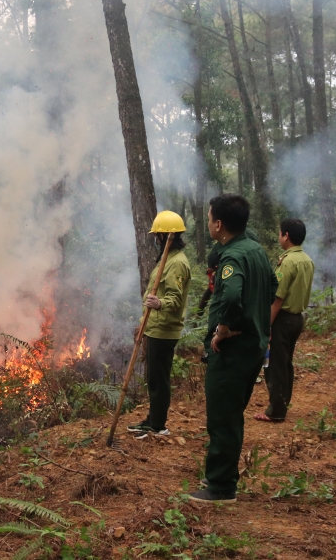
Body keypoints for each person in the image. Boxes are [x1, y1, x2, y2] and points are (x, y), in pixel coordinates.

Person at [190, 194, 276, 504]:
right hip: (254, 346)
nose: (208, 223)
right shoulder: (256, 250)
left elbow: (230, 296)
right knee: (231, 413)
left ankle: (221, 487)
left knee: (222, 417)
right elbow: (273, 288)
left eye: (210, 218)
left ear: (219, 223)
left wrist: (224, 329)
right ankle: (222, 473)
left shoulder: (232, 257)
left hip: (233, 351)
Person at [128, 211, 192, 438]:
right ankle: (152, 420)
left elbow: (175, 299)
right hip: (155, 328)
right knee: (154, 377)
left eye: (158, 236)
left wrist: (159, 303)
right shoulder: (166, 259)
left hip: (164, 330)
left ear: (167, 237)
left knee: (159, 379)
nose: (155, 240)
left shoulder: (176, 264)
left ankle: (158, 426)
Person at [254, 218, 314, 424]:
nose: (279, 236)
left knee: (276, 365)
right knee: (286, 363)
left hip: (282, 319)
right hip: (297, 319)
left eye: (280, 233)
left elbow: (278, 298)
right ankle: (282, 403)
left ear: (286, 235)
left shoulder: (287, 262)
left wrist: (266, 325)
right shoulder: (306, 260)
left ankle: (276, 410)